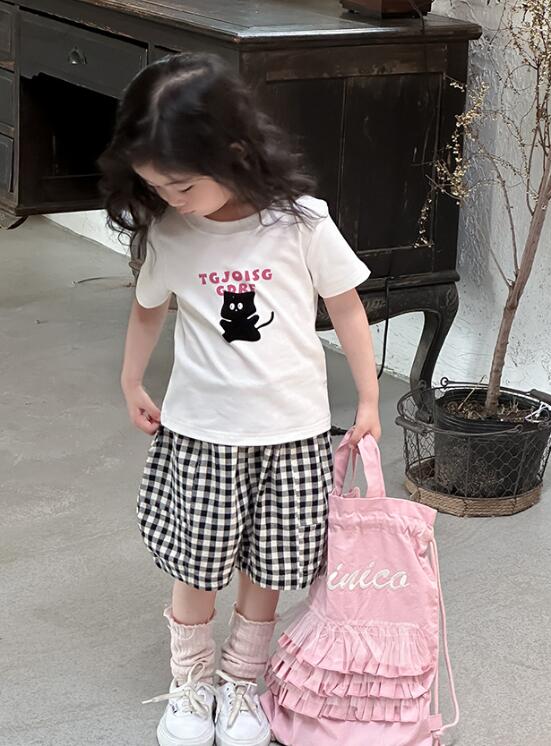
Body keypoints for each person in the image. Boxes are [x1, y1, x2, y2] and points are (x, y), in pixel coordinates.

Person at [99, 52, 381, 746]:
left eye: (182, 184)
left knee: (269, 568)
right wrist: (131, 380)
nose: (170, 198)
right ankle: (191, 685)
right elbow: (148, 309)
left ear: (233, 151)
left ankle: (241, 684)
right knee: (196, 569)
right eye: (154, 186)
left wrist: (369, 399)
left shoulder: (301, 222)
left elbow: (346, 307)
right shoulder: (170, 233)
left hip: (292, 433)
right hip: (202, 434)